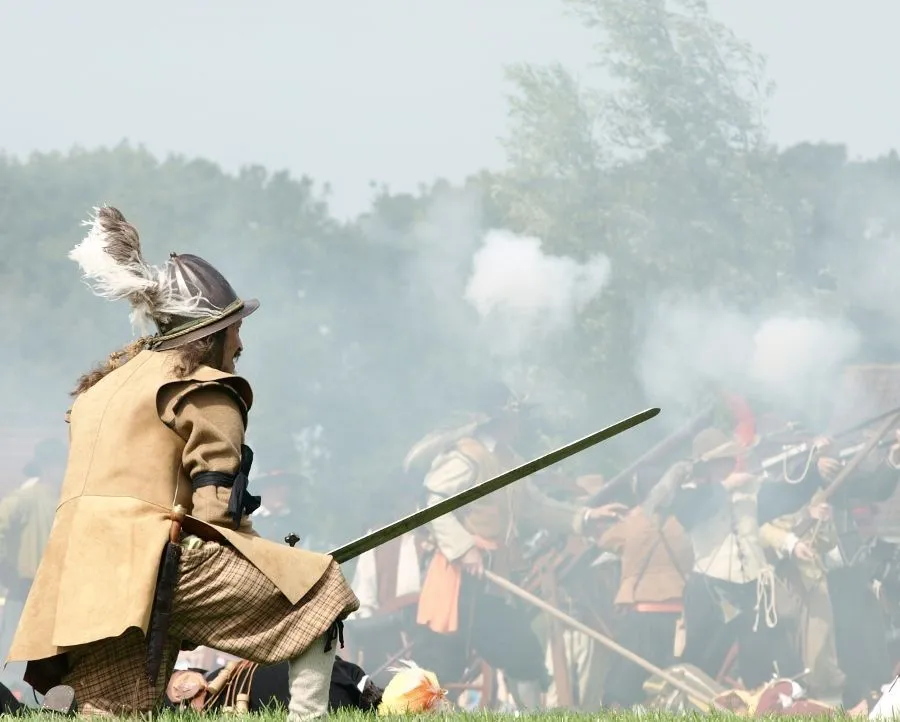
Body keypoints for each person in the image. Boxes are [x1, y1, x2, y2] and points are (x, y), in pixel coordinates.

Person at [6, 206, 359, 719]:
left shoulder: (107, 385)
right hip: (156, 560)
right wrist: (268, 562)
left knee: (114, 706)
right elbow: (217, 511)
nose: (241, 342)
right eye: (235, 328)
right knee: (319, 591)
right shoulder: (205, 388)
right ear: (211, 333)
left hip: (80, 571)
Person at [412, 382, 625, 709]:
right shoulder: (466, 455)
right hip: (456, 582)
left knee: (523, 654)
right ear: (496, 420)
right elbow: (434, 505)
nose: (521, 424)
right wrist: (464, 548)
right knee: (438, 670)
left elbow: (535, 507)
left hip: (488, 583)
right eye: (516, 417)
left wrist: (585, 518)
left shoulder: (508, 459)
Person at [0, 438, 66, 692]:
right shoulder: (27, 498)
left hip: (52, 590)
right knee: (13, 650)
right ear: (45, 466)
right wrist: (7, 570)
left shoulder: (61, 500)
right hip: (25, 587)